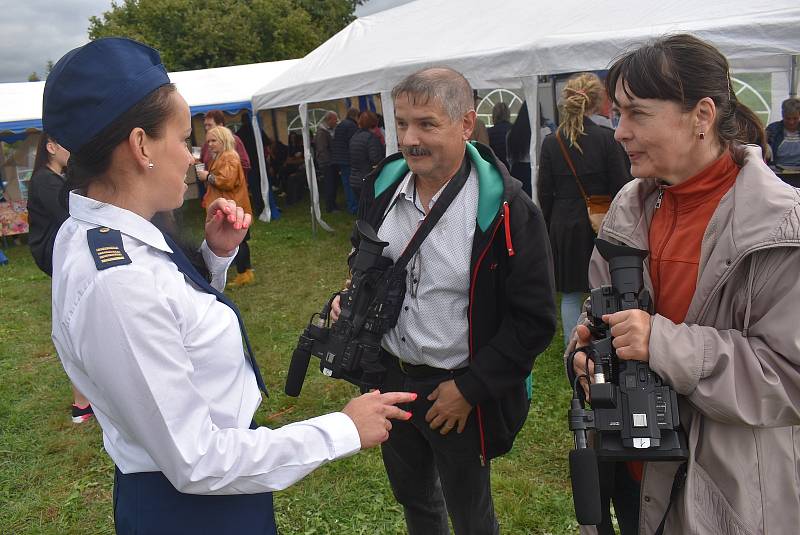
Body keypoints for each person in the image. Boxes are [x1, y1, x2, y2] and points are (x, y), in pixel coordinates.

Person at [43, 37, 415, 535]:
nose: (193, 156)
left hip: (208, 490)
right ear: (139, 147)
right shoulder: (118, 281)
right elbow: (196, 460)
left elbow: (173, 318)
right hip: (194, 508)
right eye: (181, 139)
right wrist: (341, 429)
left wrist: (214, 259)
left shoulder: (114, 233)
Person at [568, 34, 800, 535]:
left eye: (637, 114)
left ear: (702, 115)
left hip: (726, 496)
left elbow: (789, 378)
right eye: (617, 113)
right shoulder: (629, 208)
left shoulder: (782, 229)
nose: (619, 132)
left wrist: (663, 344)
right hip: (631, 467)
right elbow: (602, 312)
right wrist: (591, 355)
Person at [335, 67, 556, 535]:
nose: (410, 139)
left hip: (455, 391)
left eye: (427, 124)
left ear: (465, 124)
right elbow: (366, 267)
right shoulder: (382, 188)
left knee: (471, 514)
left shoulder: (509, 210)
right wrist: (348, 300)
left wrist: (470, 390)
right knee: (415, 502)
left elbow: (534, 322)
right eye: (402, 124)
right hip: (389, 380)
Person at [538, 73, 632, 346]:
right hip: (602, 220)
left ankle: (574, 346)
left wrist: (545, 230)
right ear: (596, 102)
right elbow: (623, 186)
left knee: (570, 292)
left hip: (563, 224)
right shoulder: (608, 139)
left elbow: (544, 193)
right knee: (604, 286)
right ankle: (604, 342)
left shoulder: (552, 142)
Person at [27, 133, 94, 424]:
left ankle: (84, 400)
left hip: (65, 258)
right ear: (51, 148)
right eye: (66, 144)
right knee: (75, 328)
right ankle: (81, 403)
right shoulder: (45, 179)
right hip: (59, 258)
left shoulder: (53, 178)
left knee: (79, 326)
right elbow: (70, 214)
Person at [197, 126, 255, 287]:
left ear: (224, 140)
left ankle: (244, 273)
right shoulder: (222, 156)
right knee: (239, 241)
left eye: (213, 140)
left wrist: (207, 176)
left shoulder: (229, 157)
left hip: (233, 206)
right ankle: (245, 271)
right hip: (230, 206)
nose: (209, 144)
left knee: (238, 241)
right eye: (208, 141)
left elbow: (227, 181)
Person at [347, 110, 383, 203]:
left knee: (363, 209)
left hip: (355, 179)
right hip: (367, 178)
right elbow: (375, 159)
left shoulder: (354, 136)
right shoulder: (371, 138)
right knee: (372, 209)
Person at [331, 107, 360, 214]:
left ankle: (351, 205)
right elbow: (353, 144)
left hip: (339, 159)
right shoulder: (352, 126)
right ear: (355, 116)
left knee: (346, 184)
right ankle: (354, 207)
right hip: (348, 159)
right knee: (352, 184)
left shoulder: (341, 125)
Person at [314, 111, 340, 212]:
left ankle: (333, 204)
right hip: (327, 163)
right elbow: (322, 149)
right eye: (334, 119)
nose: (336, 121)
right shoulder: (322, 132)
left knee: (333, 184)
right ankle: (330, 206)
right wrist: (330, 162)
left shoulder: (327, 130)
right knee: (330, 184)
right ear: (329, 119)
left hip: (330, 162)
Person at [506, 101, 533, 197]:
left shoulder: (512, 133)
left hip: (516, 171)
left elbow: (509, 158)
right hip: (532, 170)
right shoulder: (540, 132)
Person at [766, 97, 800, 170]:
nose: (791, 122)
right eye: (788, 118)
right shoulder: (773, 129)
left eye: (795, 118)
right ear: (782, 115)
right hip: (778, 171)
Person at [487, 102, 512, 168]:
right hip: (512, 169)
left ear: (494, 115)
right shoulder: (515, 130)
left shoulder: (489, 132)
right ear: (508, 114)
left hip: (496, 167)